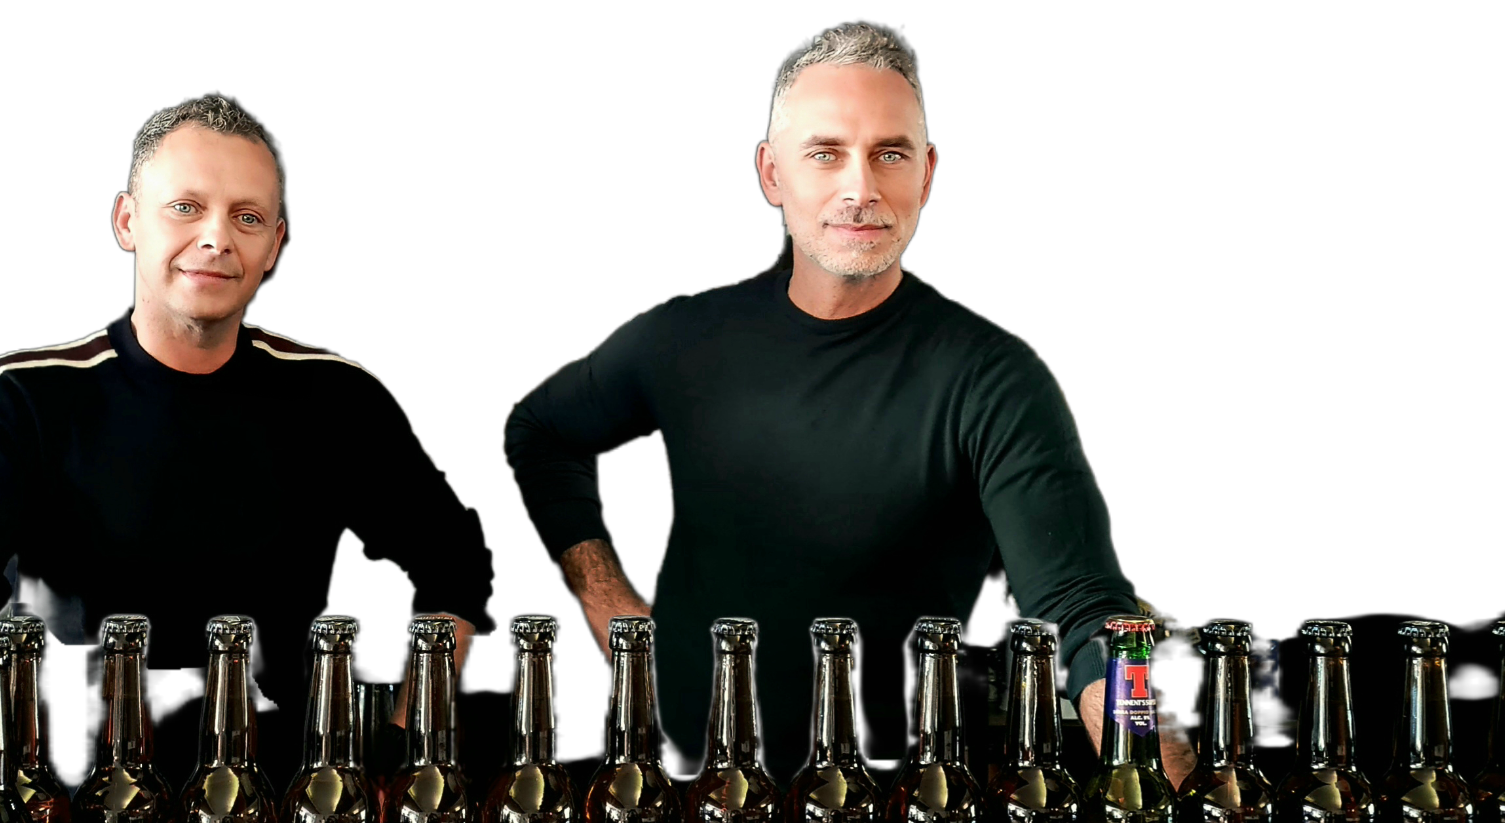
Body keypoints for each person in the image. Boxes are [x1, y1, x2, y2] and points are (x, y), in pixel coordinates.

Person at [504, 23, 1193, 783]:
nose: (861, 189)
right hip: (686, 793)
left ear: (926, 175)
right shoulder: (680, 338)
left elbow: (1081, 609)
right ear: (772, 174)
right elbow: (540, 431)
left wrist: (1166, 804)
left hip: (908, 810)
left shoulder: (994, 378)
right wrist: (610, 604)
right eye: (826, 153)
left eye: (890, 154)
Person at [0, 95, 494, 788]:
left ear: (275, 245)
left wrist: (407, 746)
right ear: (127, 221)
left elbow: (457, 562)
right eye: (186, 207)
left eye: (246, 217)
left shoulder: (339, 398)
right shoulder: (20, 398)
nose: (217, 238)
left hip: (277, 816)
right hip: (64, 815)